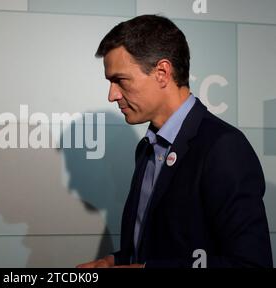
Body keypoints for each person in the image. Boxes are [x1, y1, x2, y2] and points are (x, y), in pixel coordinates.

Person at [77, 15, 273, 268]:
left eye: (120, 80)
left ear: (162, 73)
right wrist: (114, 261)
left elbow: (251, 264)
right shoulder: (146, 148)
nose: (112, 95)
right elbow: (161, 247)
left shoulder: (223, 147)